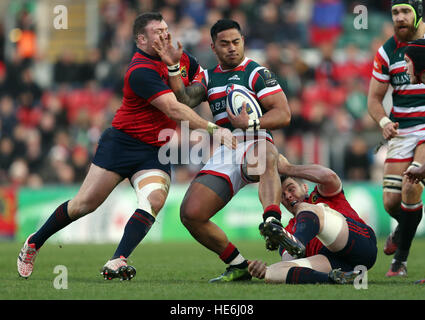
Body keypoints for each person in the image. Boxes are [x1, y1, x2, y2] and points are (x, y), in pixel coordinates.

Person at [17, 12, 236, 280]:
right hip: (122, 143)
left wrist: (188, 79)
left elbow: (201, 76)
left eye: (166, 29)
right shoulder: (140, 70)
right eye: (158, 32)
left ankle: (118, 259)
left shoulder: (177, 56)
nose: (165, 35)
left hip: (155, 149)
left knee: (154, 200)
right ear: (141, 39)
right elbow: (174, 107)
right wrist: (214, 129)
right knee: (83, 205)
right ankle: (34, 243)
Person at [153, 19, 291, 282]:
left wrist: (251, 122)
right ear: (213, 47)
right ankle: (238, 264)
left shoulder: (256, 73)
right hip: (226, 147)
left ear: (243, 43)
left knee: (265, 155)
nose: (231, 48)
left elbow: (284, 115)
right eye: (224, 44)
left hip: (256, 139)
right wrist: (173, 67)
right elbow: (184, 100)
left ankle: (272, 221)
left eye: (236, 42)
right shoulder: (208, 76)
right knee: (191, 214)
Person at [247, 155, 377, 284]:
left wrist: (288, 169)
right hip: (337, 264)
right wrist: (264, 270)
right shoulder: (286, 230)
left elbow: (330, 177)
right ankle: (336, 278)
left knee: (304, 208)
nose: (288, 196)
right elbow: (289, 261)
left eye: (291, 189)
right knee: (274, 272)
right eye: (282, 195)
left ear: (304, 187)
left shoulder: (323, 195)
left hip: (361, 246)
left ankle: (298, 241)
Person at [367, 0, 425, 277]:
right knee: (391, 201)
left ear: (419, 13)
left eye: (405, 12)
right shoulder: (387, 51)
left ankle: (399, 261)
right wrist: (384, 121)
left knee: (411, 184)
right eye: (395, 12)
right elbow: (374, 99)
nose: (399, 18)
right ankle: (403, 230)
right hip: (402, 129)